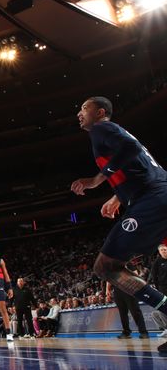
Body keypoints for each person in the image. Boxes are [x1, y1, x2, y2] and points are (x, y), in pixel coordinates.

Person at [71, 96, 167, 354]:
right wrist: (116, 196)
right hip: (154, 194)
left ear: (100, 112)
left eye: (84, 108)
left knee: (106, 266)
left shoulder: (103, 128)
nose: (79, 112)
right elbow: (139, 166)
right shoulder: (111, 132)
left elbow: (130, 150)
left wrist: (95, 180)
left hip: (152, 199)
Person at [107, 274, 149, 339]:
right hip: (117, 291)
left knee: (135, 311)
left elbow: (136, 274)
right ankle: (126, 332)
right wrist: (107, 290)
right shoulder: (111, 266)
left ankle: (143, 332)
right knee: (122, 313)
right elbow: (109, 278)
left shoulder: (127, 264)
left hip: (129, 290)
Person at [149, 244, 167, 336]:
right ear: (159, 252)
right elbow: (153, 275)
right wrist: (157, 287)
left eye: (165, 249)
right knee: (161, 308)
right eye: (162, 250)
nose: (164, 251)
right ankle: (166, 328)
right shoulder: (157, 262)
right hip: (162, 288)